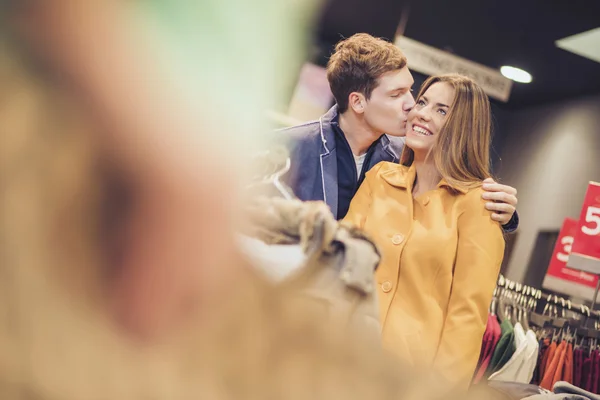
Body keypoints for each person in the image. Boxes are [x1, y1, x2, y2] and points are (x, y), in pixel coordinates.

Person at [343, 74, 506, 391]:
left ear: (464, 127)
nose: (422, 113)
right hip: (341, 356)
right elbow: (339, 262)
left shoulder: (477, 206)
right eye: (422, 102)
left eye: (442, 110)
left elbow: (466, 318)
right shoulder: (380, 178)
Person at [279, 33, 518, 230]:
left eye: (410, 91)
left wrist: (504, 214)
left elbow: (453, 196)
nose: (411, 104)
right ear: (358, 102)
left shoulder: (409, 155)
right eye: (396, 95)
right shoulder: (289, 146)